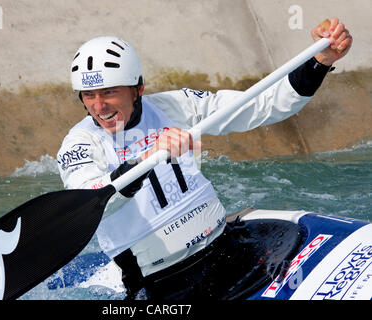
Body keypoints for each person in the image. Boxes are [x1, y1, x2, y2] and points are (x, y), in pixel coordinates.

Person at [57, 17, 352, 299]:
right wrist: (145, 158)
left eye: (108, 92)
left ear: (138, 89)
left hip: (226, 249)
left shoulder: (176, 106)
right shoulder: (79, 145)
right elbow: (90, 202)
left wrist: (319, 63)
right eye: (88, 95)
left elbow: (264, 105)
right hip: (161, 283)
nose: (99, 106)